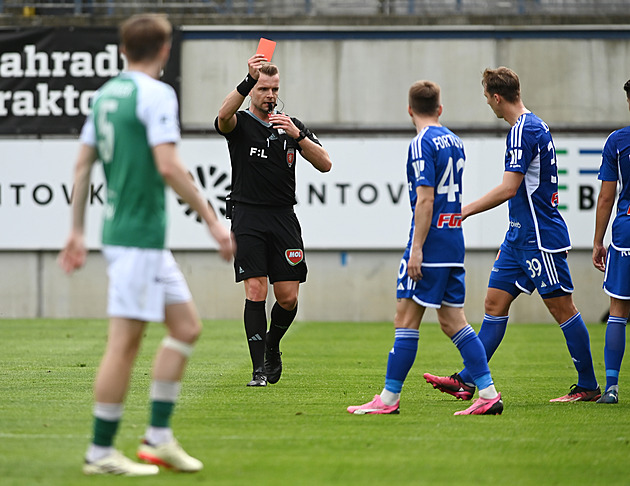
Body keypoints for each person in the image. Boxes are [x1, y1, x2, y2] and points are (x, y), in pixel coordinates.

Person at [58, 13, 233, 476]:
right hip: (137, 240)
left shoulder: (105, 95)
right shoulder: (156, 93)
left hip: (138, 240)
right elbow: (169, 167)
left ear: (122, 49)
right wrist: (213, 221)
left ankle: (157, 438)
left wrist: (76, 230)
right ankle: (100, 451)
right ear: (164, 50)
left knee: (186, 327)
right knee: (124, 344)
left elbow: (80, 167)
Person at [424, 67, 600, 402]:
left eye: (487, 98)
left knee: (563, 309)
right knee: (493, 303)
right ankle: (466, 380)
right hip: (517, 237)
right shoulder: (532, 126)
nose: (488, 104)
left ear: (496, 97)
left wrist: (464, 210)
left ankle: (588, 386)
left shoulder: (524, 130)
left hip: (538, 237)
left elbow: (509, 188)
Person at [347, 80, 503, 416]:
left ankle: (388, 399)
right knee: (452, 321)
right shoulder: (455, 141)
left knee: (405, 319)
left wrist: (416, 248)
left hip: (430, 243)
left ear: (409, 110)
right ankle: (488, 393)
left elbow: (426, 198)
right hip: (453, 239)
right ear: (440, 109)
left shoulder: (421, 144)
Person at [215, 54, 332, 387]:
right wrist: (246, 79)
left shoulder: (290, 125)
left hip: (283, 217)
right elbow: (222, 117)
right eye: (263, 88)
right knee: (256, 289)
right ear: (253, 90)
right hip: (247, 216)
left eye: (274, 88)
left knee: (288, 298)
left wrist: (298, 135)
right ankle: (258, 371)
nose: (269, 95)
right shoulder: (239, 123)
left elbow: (325, 164)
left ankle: (272, 345)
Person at [592, 79, 630, 404]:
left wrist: (597, 242)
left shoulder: (618, 141)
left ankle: (612, 388)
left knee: (618, 310)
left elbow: (606, 197)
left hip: (626, 230)